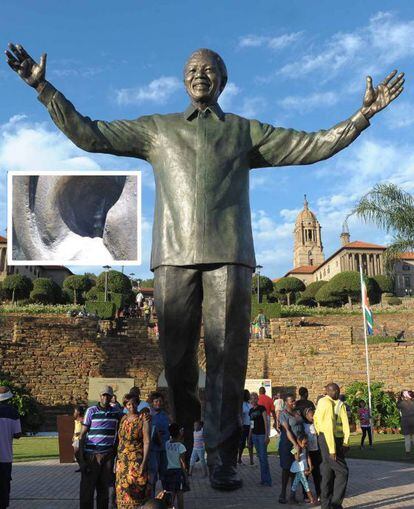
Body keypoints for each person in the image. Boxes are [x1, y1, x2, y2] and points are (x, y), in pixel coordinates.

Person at [7, 41, 404, 491]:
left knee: (228, 361)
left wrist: (361, 117)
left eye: (210, 69)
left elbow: (310, 145)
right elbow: (90, 132)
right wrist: (44, 89)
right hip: (173, 256)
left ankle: (221, 458)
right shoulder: (157, 129)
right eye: (193, 68)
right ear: (184, 78)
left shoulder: (243, 131)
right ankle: (179, 434)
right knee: (175, 362)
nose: (201, 74)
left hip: (230, 256)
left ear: (222, 81)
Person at [78, 385, 122, 509]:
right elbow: (82, 435)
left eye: (108, 395)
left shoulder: (116, 413)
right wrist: (82, 459)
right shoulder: (91, 411)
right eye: (103, 395)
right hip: (91, 454)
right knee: (87, 490)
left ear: (112, 397)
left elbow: (129, 417)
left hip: (107, 455)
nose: (106, 398)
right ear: (100, 396)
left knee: (103, 490)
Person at [314, 383, 350, 509]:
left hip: (324, 438)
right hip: (330, 441)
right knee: (343, 471)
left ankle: (325, 505)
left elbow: (316, 419)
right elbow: (329, 426)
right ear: (330, 391)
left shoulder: (321, 402)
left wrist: (319, 434)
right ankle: (335, 504)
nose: (338, 393)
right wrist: (332, 449)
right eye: (336, 391)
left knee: (327, 473)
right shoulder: (329, 404)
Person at [116, 394, 151, 508]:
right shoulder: (123, 418)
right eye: (128, 404)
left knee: (137, 492)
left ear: (137, 403)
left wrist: (143, 464)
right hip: (122, 463)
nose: (131, 406)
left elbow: (147, 442)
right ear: (125, 406)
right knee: (122, 492)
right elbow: (119, 440)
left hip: (136, 461)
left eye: (134, 403)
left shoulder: (143, 419)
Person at [278, 394, 304, 504]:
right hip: (288, 445)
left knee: (295, 468)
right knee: (286, 468)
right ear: (286, 402)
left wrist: (301, 442)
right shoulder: (283, 414)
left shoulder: (296, 413)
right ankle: (283, 494)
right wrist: (295, 444)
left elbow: (301, 427)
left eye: (295, 401)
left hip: (298, 445)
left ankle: (292, 495)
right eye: (292, 401)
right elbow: (287, 430)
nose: (294, 402)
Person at [0, 386, 22, 509]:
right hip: (5, 456)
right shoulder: (13, 412)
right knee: (4, 483)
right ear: (9, 398)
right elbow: (17, 434)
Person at [248, 392, 271, 487]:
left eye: (255, 398)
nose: (253, 400)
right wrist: (249, 437)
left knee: (263, 457)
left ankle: (268, 480)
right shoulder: (250, 411)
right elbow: (251, 425)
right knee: (260, 458)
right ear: (250, 400)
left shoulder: (262, 409)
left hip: (261, 435)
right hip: (254, 436)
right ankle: (263, 479)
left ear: (257, 399)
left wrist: (266, 435)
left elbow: (266, 422)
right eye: (251, 398)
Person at [149, 392, 170, 495]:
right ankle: (151, 498)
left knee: (164, 475)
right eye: (156, 401)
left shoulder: (164, 415)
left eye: (160, 401)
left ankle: (166, 498)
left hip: (164, 449)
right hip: (153, 449)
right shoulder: (149, 416)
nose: (158, 403)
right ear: (152, 402)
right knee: (152, 475)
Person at [165, 423, 188, 509]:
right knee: (179, 493)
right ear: (179, 433)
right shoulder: (181, 446)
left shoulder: (166, 444)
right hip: (178, 472)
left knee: (170, 494)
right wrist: (186, 476)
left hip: (167, 472)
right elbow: (183, 463)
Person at [289, 432, 316, 505]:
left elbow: (308, 457)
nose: (306, 445)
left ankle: (291, 498)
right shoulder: (294, 448)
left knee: (295, 483)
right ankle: (311, 499)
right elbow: (297, 459)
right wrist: (297, 451)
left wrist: (310, 466)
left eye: (307, 443)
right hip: (298, 468)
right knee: (305, 483)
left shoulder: (305, 448)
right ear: (298, 441)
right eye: (305, 443)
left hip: (304, 467)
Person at [303, 407, 322, 501]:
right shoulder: (303, 425)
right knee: (306, 474)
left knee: (317, 474)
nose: (313, 417)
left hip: (315, 451)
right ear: (306, 416)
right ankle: (306, 495)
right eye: (311, 415)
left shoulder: (316, 424)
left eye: (314, 414)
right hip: (307, 453)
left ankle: (320, 493)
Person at [238, 389, 254, 465]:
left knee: (250, 442)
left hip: (250, 426)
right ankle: (239, 459)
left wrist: (253, 427)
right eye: (248, 394)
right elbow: (240, 416)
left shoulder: (250, 405)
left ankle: (251, 460)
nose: (249, 396)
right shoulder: (241, 405)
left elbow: (252, 417)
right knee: (242, 443)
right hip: (244, 426)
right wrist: (241, 426)